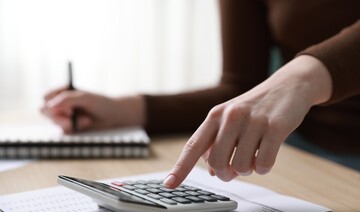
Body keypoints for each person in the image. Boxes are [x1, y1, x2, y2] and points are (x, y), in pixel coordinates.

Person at [42, 0, 360, 189]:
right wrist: (126, 110)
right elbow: (239, 89)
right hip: (305, 153)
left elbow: (281, 87)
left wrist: (303, 76)